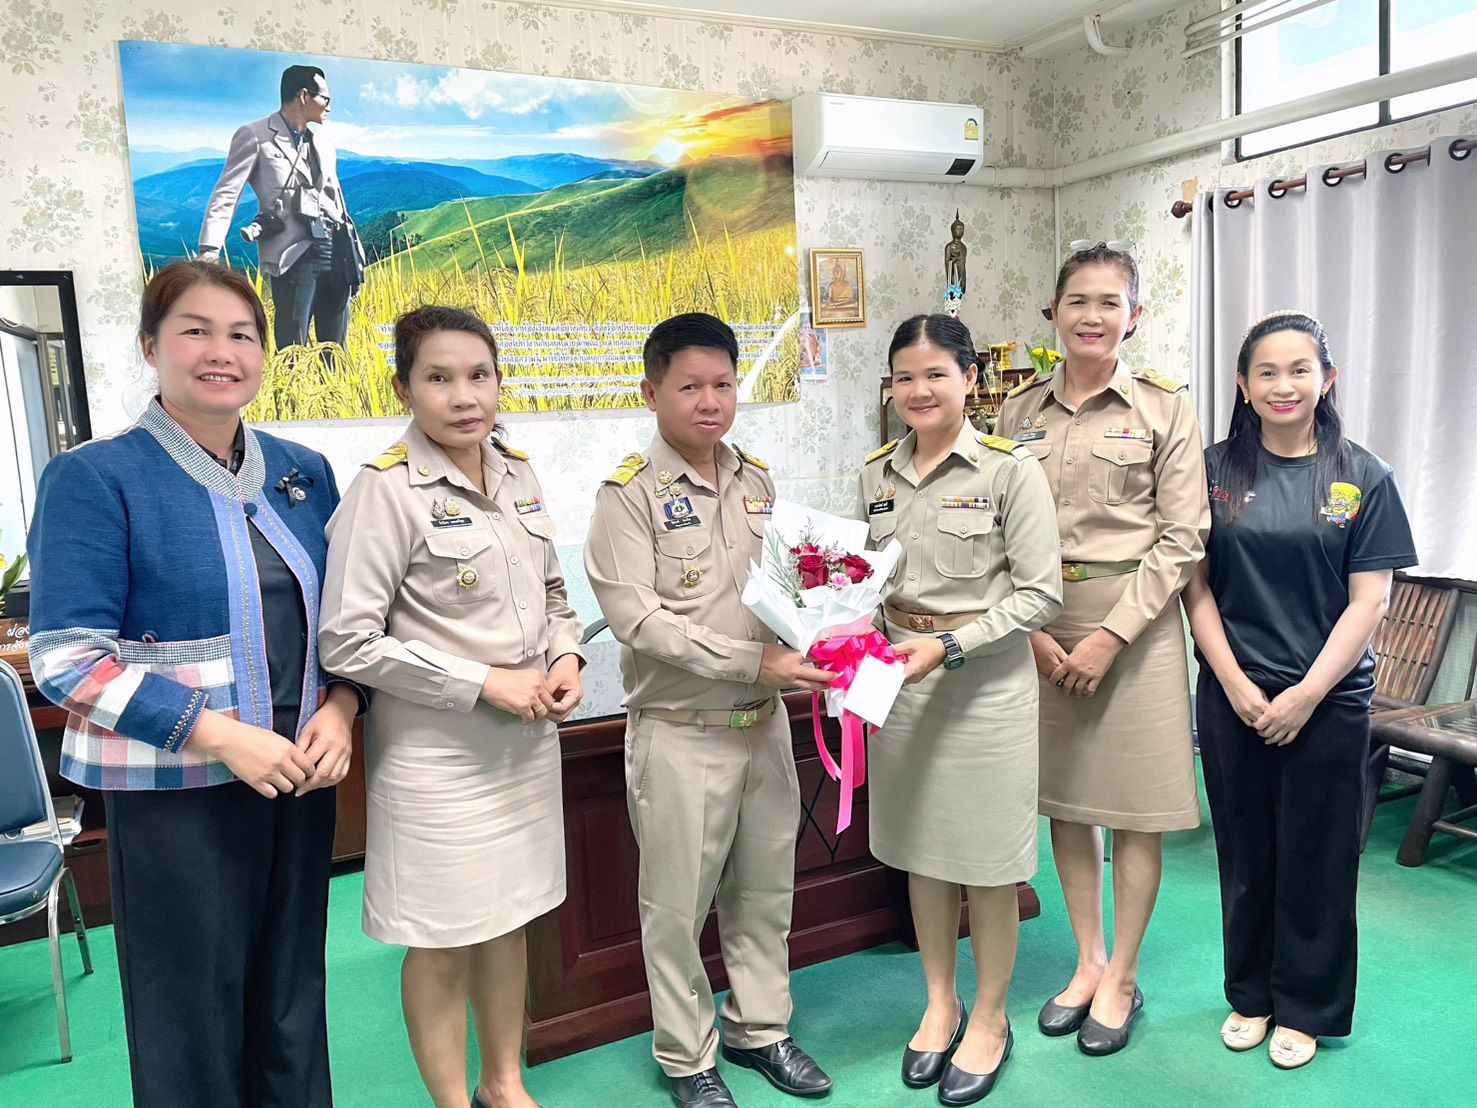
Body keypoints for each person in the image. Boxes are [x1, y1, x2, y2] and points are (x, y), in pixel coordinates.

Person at [26, 259, 360, 1108]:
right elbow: (65, 656)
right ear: (150, 346)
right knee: (191, 1006)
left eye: (242, 334)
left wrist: (344, 706)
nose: (222, 351)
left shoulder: (302, 471)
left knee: (291, 992)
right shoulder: (96, 477)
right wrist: (219, 734)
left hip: (299, 772)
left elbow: (348, 618)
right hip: (177, 791)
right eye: (196, 331)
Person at [318, 306, 584, 1108]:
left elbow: (553, 594)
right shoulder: (384, 491)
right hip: (439, 760)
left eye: (479, 375)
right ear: (404, 388)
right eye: (438, 378)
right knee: (441, 940)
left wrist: (565, 657)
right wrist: (482, 681)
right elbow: (348, 641)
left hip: (523, 747)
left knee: (508, 919)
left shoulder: (517, 473)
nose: (464, 396)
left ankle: (503, 1085)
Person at [585, 313, 836, 1108]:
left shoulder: (757, 481)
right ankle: (686, 1057)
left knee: (764, 894)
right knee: (676, 910)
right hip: (681, 733)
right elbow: (641, 623)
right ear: (650, 392)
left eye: (722, 384)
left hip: (764, 726)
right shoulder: (627, 496)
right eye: (689, 386)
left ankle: (759, 1029)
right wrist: (755, 662)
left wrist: (832, 629)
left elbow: (788, 591)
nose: (709, 401)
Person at [1182, 311, 1416, 1070]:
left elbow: (1369, 601)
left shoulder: (1363, 476)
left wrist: (1306, 695)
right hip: (1232, 694)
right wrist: (1234, 683)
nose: (1283, 385)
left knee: (1317, 854)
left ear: (1327, 379)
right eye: (1266, 372)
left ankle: (1308, 1006)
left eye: (1299, 370)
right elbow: (1194, 589)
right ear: (1242, 385)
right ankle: (1250, 994)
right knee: (1244, 849)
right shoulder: (1211, 472)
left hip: (1329, 700)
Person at [996, 242, 1209, 1056]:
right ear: (1052, 313)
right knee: (1069, 801)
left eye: (1108, 302)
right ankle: (1086, 960)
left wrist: (1110, 637)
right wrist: (1033, 631)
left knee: (1134, 809)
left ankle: (1122, 973)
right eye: (1077, 301)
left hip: (1136, 627)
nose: (1091, 316)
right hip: (1042, 623)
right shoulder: (1017, 413)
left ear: (1134, 316)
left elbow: (1183, 537)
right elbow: (997, 528)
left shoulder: (1164, 408)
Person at [861, 314, 1061, 1105]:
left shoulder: (1010, 471)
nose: (919, 390)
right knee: (923, 850)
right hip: (899, 684)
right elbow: (863, 585)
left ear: (969, 379)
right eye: (904, 377)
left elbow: (1039, 595)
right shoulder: (874, 475)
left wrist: (947, 647)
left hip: (982, 688)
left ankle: (988, 1015)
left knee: (987, 860)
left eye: (935, 374)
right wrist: (841, 640)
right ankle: (939, 1001)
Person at [199, 64, 365, 351]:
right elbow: (227, 193)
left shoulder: (325, 145)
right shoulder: (254, 135)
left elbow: (338, 201)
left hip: (336, 252)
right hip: (293, 255)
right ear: (303, 96)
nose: (329, 106)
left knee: (336, 350)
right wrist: (209, 249)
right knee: (292, 349)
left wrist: (356, 257)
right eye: (325, 99)